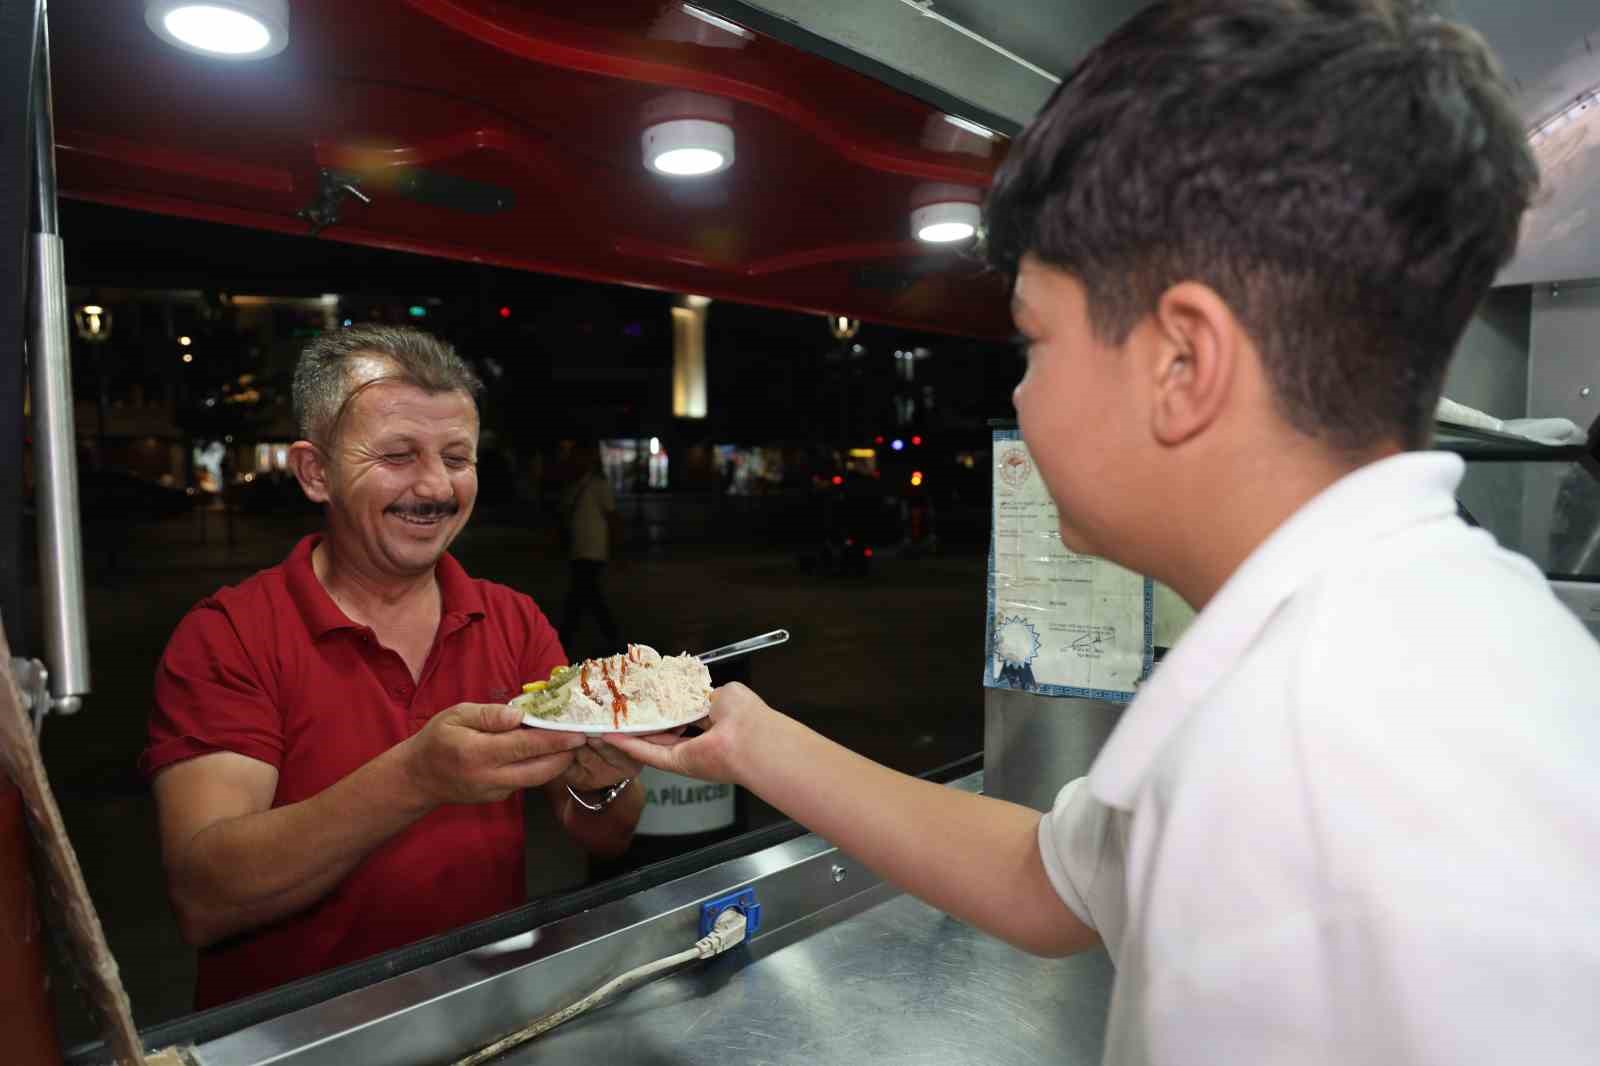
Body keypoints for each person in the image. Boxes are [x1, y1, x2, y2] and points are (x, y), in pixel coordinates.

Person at [609, 2, 1600, 1062]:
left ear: (1182, 363)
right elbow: (1050, 880)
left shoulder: (1300, 767)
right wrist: (752, 739)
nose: (1023, 401)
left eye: (1034, 339)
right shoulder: (1419, 632)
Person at [141, 326, 645, 1009]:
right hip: (299, 1037)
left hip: (481, 1017)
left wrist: (606, 778)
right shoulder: (229, 636)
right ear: (316, 471)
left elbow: (603, 833)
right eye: (399, 456)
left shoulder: (514, 620)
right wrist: (416, 776)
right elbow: (206, 896)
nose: (435, 487)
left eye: (457, 457)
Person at [558, 441, 621, 657]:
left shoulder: (597, 485)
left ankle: (566, 638)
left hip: (593, 550)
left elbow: (612, 517)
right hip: (579, 549)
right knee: (588, 595)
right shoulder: (573, 485)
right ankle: (610, 636)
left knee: (581, 595)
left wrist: (614, 547)